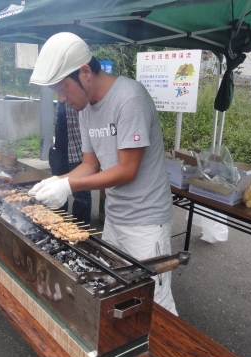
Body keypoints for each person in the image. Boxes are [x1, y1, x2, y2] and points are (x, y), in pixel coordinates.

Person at [29, 33, 177, 315]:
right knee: (117, 291)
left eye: (62, 89)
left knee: (154, 300)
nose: (61, 99)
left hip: (146, 221)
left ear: (85, 72)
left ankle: (172, 356)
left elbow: (127, 170)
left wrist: (70, 186)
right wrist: (56, 180)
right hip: (116, 218)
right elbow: (90, 165)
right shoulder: (85, 109)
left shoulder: (130, 98)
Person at [50, 101, 92, 224]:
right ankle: (58, 225)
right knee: (57, 187)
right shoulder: (61, 98)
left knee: (81, 193)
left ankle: (80, 228)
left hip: (77, 149)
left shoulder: (81, 98)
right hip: (60, 149)